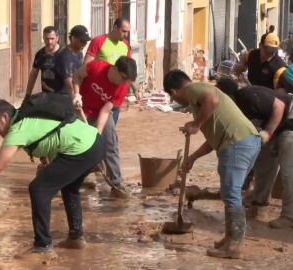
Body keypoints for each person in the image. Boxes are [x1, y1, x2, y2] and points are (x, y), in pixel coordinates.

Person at [0, 99, 105, 254]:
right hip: (95, 142)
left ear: (5, 117)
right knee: (69, 188)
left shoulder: (18, 129)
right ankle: (76, 238)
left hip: (83, 148)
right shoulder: (27, 118)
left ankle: (42, 246)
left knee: (39, 189)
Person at [163, 70, 261, 259]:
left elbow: (212, 101)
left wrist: (196, 125)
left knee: (231, 193)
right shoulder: (201, 95)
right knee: (230, 192)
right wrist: (192, 157)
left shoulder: (192, 90)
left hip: (237, 142)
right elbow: (212, 139)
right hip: (246, 140)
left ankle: (234, 245)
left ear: (174, 92)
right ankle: (230, 237)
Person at [216, 78, 293, 228]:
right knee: (264, 161)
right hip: (280, 127)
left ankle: (289, 216)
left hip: (290, 122)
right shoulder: (236, 106)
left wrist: (268, 133)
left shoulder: (247, 95)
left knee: (288, 172)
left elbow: (279, 106)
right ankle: (259, 201)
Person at [72, 56, 137, 192]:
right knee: (75, 145)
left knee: (109, 144)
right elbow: (77, 75)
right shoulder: (97, 67)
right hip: (80, 108)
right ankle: (72, 180)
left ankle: (116, 182)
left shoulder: (122, 88)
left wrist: (98, 135)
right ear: (114, 69)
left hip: (100, 112)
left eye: (127, 80)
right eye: (124, 78)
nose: (124, 82)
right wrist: (77, 94)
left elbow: (106, 111)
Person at [84, 18, 140, 124]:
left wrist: (134, 87)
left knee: (111, 127)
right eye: (124, 31)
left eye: (127, 32)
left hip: (116, 93)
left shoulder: (125, 45)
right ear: (115, 28)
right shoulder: (99, 41)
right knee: (96, 126)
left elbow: (129, 68)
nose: (126, 35)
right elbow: (87, 65)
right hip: (100, 92)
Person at [52, 25, 91, 96]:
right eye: (82, 41)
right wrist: (76, 101)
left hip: (76, 93)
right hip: (63, 96)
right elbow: (70, 85)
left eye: (86, 41)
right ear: (73, 38)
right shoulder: (65, 57)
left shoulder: (79, 53)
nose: (84, 44)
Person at [24, 26, 60, 98]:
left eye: (52, 39)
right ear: (43, 38)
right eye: (47, 39)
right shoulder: (40, 54)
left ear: (57, 38)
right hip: (46, 95)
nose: (49, 42)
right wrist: (27, 95)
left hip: (62, 96)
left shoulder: (64, 53)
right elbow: (33, 75)